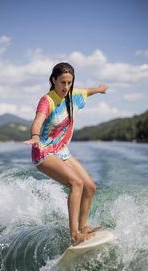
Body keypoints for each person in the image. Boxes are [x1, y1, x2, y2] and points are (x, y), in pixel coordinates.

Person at [23, 62, 108, 246]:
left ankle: (83, 226)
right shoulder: (48, 100)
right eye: (62, 82)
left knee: (90, 187)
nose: (66, 87)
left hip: (62, 151)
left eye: (69, 83)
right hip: (44, 151)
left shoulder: (74, 95)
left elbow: (87, 91)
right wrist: (35, 136)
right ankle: (75, 235)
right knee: (76, 183)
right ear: (53, 80)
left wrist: (100, 90)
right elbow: (38, 120)